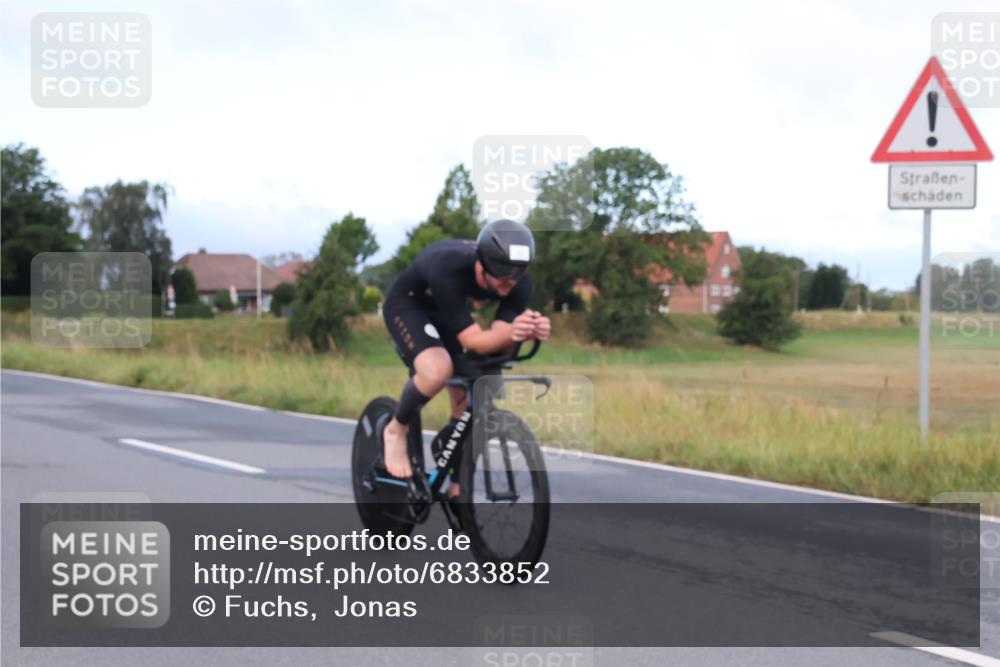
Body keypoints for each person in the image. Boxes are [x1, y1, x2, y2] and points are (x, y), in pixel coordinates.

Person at [380, 219, 551, 500]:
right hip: (409, 305)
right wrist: (513, 332)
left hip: (449, 310)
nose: (510, 280)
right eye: (502, 271)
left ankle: (456, 483)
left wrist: (526, 332)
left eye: (518, 271)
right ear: (482, 263)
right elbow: (473, 341)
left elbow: (496, 340)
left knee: (472, 384)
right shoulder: (449, 266)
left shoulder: (519, 283)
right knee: (437, 370)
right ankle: (396, 429)